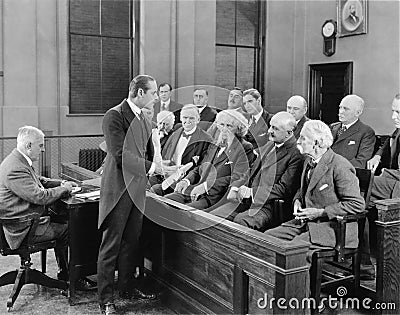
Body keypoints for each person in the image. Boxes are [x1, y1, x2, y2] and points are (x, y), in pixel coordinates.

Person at [0, 126, 95, 290]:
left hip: (20, 222)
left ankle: (65, 272)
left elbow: (38, 180)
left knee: (60, 218)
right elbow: (40, 196)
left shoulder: (16, 160)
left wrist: (60, 183)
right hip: (22, 230)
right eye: (40, 145)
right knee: (71, 229)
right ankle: (72, 278)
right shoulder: (16, 168)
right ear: (29, 145)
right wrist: (64, 190)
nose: (43, 150)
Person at [98, 75, 162, 315]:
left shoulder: (143, 118)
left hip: (137, 190)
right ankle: (105, 299)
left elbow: (147, 151)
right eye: (153, 92)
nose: (156, 97)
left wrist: (152, 169)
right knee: (111, 245)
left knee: (131, 242)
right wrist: (154, 168)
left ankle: (127, 288)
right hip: (118, 191)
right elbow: (119, 155)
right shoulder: (114, 115)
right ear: (140, 93)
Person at [265, 120, 364, 260]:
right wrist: (297, 200)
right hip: (307, 224)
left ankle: (296, 282)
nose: (298, 141)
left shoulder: (340, 166)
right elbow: (304, 188)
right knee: (267, 239)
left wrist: (321, 212)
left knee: (294, 252)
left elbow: (357, 205)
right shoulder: (308, 161)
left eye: (303, 138)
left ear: (317, 143)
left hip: (331, 229)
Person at [210, 112, 303, 232]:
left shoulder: (296, 155)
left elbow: (284, 189)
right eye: (270, 126)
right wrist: (236, 188)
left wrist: (252, 192)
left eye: (275, 128)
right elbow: (251, 171)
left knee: (241, 221)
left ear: (289, 133)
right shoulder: (270, 145)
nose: (269, 130)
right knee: (214, 216)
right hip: (247, 201)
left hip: (270, 206)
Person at [164, 109, 253, 210]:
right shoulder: (214, 144)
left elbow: (236, 177)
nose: (224, 129)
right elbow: (200, 168)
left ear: (238, 129)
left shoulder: (245, 147)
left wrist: (206, 186)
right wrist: (186, 180)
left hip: (214, 198)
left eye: (229, 126)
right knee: (164, 202)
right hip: (194, 190)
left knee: (182, 213)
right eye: (221, 124)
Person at [150, 104, 212, 195]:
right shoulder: (176, 131)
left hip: (184, 180)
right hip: (166, 173)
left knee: (155, 190)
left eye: (191, 118)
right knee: (143, 183)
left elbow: (202, 167)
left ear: (198, 120)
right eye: (185, 117)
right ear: (181, 118)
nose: (187, 121)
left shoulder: (206, 139)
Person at [330, 94, 375, 168]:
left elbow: (361, 163)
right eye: (340, 107)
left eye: (346, 109)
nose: (341, 112)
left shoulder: (366, 132)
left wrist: (334, 167)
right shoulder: (332, 127)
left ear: (358, 113)